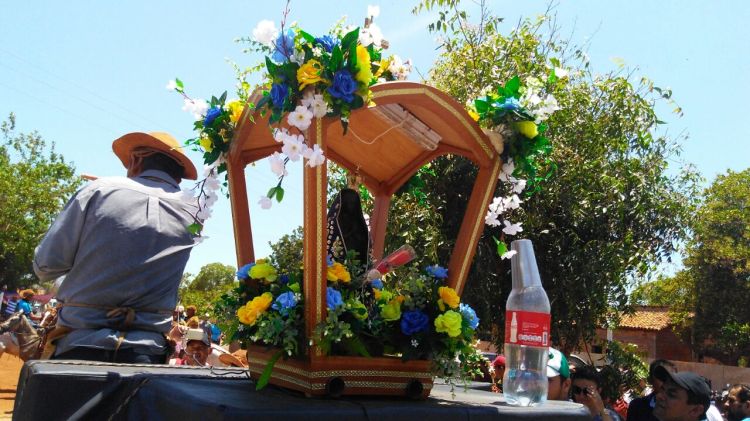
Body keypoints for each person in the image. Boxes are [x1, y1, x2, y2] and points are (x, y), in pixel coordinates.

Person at [33, 131, 198, 364]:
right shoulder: (194, 212)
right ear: (178, 177)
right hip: (148, 354)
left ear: (137, 160)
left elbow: (45, 265)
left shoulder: (97, 191)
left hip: (80, 346)